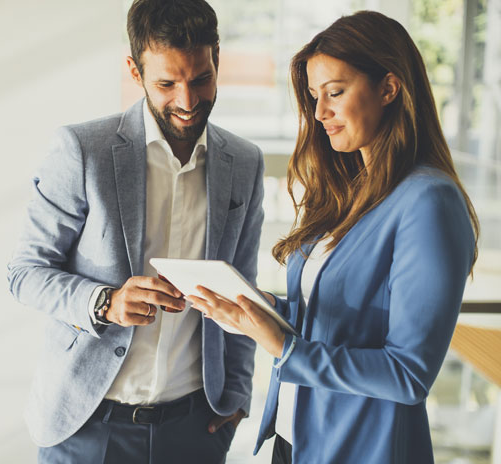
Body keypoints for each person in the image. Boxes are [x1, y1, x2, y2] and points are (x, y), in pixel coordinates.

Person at [187, 10, 479, 464]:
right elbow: (334, 322)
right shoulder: (349, 193)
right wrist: (255, 311)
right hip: (296, 439)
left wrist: (283, 346)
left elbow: (408, 373)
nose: (320, 112)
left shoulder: (428, 202)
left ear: (388, 87)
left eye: (335, 93)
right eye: (314, 96)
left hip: (362, 449)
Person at [7, 0, 265, 462]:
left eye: (201, 79)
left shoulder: (244, 163)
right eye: (167, 83)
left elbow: (243, 290)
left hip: (195, 429)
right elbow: (25, 272)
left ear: (217, 59)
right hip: (88, 427)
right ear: (134, 69)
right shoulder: (83, 150)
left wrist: (238, 396)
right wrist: (105, 302)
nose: (187, 102)